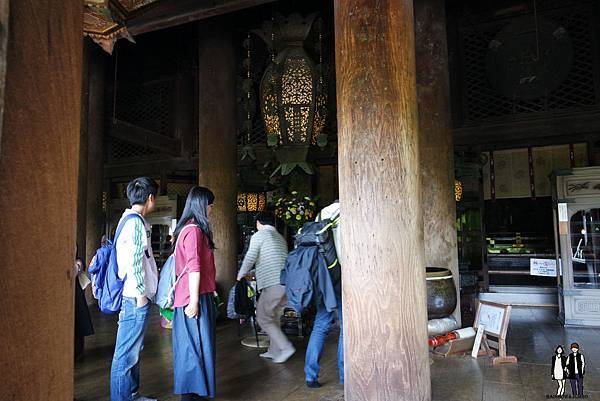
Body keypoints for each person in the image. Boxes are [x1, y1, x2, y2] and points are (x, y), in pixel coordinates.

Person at [110, 177, 159, 401]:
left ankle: (131, 395)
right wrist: (141, 295)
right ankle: (124, 398)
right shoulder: (135, 223)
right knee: (126, 354)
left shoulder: (128, 220)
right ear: (150, 198)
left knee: (131, 351)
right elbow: (134, 262)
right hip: (134, 297)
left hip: (132, 296)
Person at [171, 186, 217, 401]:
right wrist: (194, 301)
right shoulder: (193, 231)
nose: (211, 209)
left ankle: (195, 394)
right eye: (209, 205)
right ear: (201, 205)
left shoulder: (189, 229)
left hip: (195, 295)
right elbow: (194, 267)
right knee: (194, 349)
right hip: (193, 297)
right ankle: (192, 397)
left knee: (193, 348)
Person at [237, 212, 295, 364]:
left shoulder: (260, 235)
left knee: (263, 318)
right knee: (273, 318)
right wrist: (253, 272)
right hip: (285, 283)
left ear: (258, 223)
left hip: (272, 284)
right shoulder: (280, 238)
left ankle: (286, 347)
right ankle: (274, 351)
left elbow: (251, 256)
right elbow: (273, 261)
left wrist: (241, 273)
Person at [305, 200, 343, 388]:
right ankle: (345, 376)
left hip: (323, 277)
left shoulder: (321, 214)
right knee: (347, 328)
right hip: (342, 277)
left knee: (320, 326)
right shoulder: (348, 213)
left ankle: (310, 376)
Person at [74, 246, 94, 360]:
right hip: (75, 293)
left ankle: (77, 350)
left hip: (76, 293)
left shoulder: (77, 262)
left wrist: (78, 263)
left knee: (78, 322)